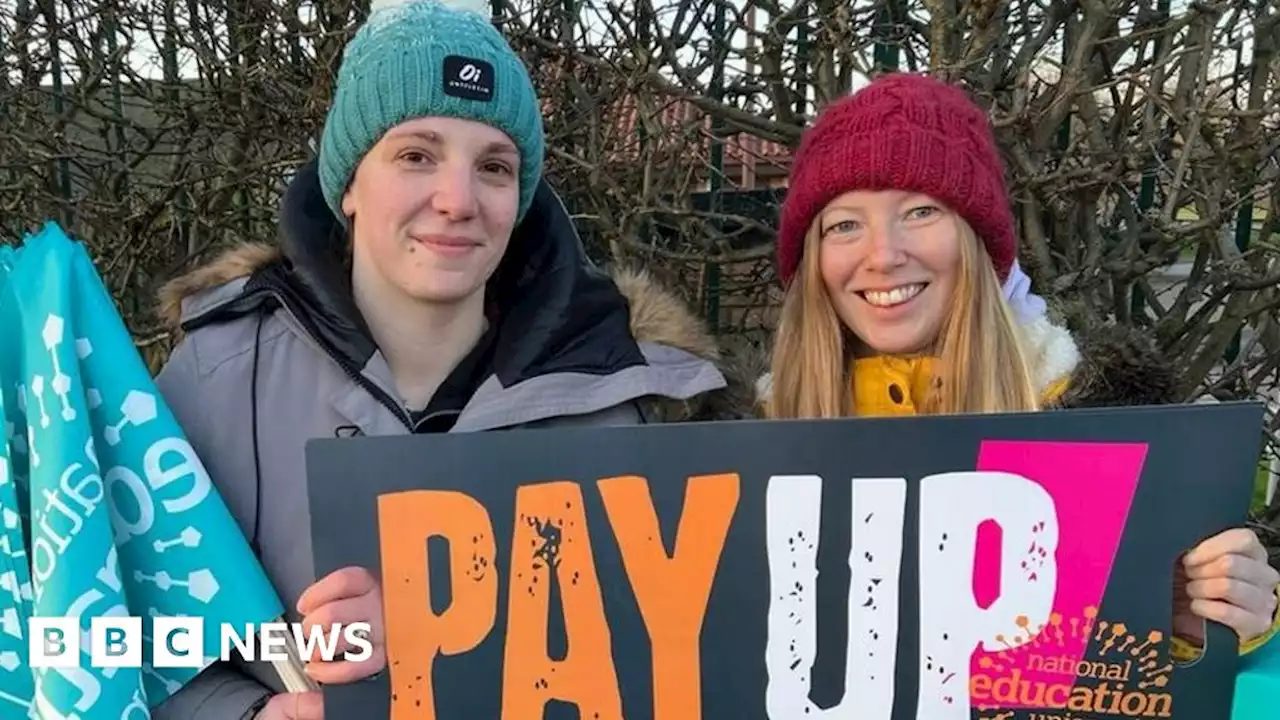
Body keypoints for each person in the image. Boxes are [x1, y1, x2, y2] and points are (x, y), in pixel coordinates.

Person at [149, 0, 751, 717]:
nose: (457, 199)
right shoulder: (215, 377)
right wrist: (244, 714)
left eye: (494, 167)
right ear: (348, 183)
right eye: (416, 155)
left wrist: (458, 624)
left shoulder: (635, 397)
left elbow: (695, 658)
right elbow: (117, 634)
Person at [758, 72, 1280, 673]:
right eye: (844, 224)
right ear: (813, 259)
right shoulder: (740, 444)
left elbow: (1152, 672)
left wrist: (1207, 620)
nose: (883, 254)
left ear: (978, 241)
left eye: (922, 211)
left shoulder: (1107, 424)